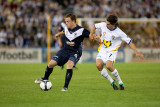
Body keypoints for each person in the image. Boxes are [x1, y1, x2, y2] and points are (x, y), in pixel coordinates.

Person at [35, 13, 91, 91]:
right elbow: (64, 31)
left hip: (75, 52)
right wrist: (59, 33)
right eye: (65, 21)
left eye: (67, 21)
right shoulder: (66, 28)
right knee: (51, 64)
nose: (66, 23)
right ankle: (45, 79)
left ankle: (65, 87)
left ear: (73, 21)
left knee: (69, 65)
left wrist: (97, 37)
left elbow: (91, 35)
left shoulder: (81, 30)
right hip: (65, 50)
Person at [89, 14, 144, 90]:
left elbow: (130, 42)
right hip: (102, 50)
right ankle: (112, 81)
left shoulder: (119, 33)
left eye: (108, 24)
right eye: (106, 23)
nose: (106, 25)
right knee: (98, 65)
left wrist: (136, 52)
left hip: (112, 51)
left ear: (113, 24)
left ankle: (120, 82)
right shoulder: (103, 25)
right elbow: (94, 26)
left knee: (108, 66)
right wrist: (91, 34)